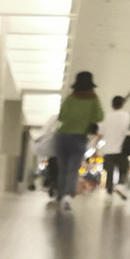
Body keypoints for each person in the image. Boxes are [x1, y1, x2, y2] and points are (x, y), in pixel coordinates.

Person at [51, 71, 105, 211]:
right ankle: (68, 196)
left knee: (62, 169)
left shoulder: (70, 98)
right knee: (73, 169)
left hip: (62, 137)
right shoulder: (93, 99)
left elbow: (61, 116)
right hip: (79, 138)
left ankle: (60, 195)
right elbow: (100, 116)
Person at [94, 95, 130, 201]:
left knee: (109, 173)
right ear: (122, 104)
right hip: (122, 149)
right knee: (124, 170)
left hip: (108, 150)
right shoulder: (127, 116)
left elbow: (99, 134)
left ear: (112, 104)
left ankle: (109, 192)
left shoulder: (105, 117)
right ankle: (120, 185)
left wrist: (95, 148)